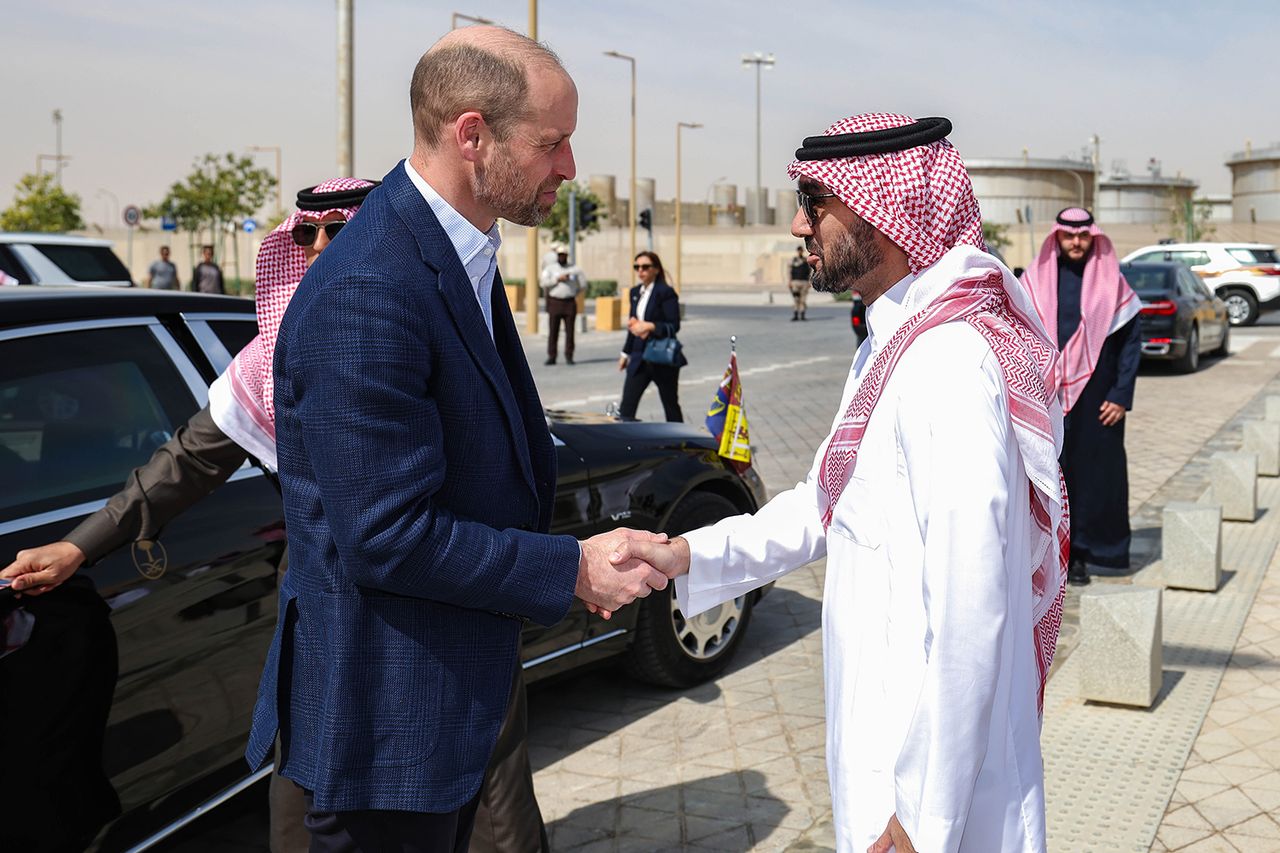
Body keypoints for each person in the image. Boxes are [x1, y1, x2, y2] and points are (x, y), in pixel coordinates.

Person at [247, 26, 669, 853]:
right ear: (472, 134)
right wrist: (571, 566)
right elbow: (386, 536)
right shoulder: (371, 285)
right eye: (553, 143)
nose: (570, 168)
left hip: (440, 707)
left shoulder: (453, 251)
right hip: (383, 731)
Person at [610, 114, 1068, 852]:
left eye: (814, 199)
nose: (798, 222)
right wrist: (688, 557)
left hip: (933, 791)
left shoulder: (946, 362)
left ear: (885, 212)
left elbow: (969, 605)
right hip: (886, 754)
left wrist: (925, 814)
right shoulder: (895, 344)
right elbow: (829, 503)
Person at [1, 178, 378, 853]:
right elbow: (188, 460)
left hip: (430, 614)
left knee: (479, 795)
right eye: (305, 234)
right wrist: (80, 547)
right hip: (322, 611)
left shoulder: (431, 346)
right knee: (298, 806)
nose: (319, 246)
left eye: (340, 231)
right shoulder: (274, 358)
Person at [1021, 207, 1141, 585]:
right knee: (1053, 475)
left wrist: (1121, 395)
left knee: (1097, 476)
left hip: (1099, 399)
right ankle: (1056, 554)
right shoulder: (1033, 282)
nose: (1076, 242)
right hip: (1047, 397)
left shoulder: (1113, 284)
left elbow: (1130, 343)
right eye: (1068, 235)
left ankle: (1094, 551)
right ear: (1056, 236)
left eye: (1083, 236)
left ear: (1093, 237)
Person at [617, 250, 686, 422]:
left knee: (670, 404)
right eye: (637, 267)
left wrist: (649, 325)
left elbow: (673, 325)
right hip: (639, 357)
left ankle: (678, 443)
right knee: (627, 407)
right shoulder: (635, 292)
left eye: (645, 267)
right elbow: (632, 326)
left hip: (661, 357)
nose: (641, 271)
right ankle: (627, 445)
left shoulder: (665, 292)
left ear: (656, 269)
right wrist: (625, 354)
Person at [539, 244, 585, 365]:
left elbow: (583, 285)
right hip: (555, 301)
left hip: (569, 302)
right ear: (557, 256)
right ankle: (552, 356)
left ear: (567, 256)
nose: (562, 257)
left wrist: (574, 292)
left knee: (570, 331)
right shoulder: (550, 269)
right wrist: (557, 279)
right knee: (553, 330)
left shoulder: (574, 269)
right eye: (560, 255)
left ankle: (569, 355)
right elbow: (543, 283)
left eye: (564, 255)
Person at [788, 245, 811, 320]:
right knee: (796, 299)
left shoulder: (806, 261)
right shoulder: (793, 260)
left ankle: (802, 315)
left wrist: (809, 282)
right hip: (795, 282)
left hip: (804, 282)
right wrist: (790, 282)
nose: (800, 252)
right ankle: (795, 315)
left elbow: (809, 272)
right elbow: (790, 271)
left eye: (801, 250)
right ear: (797, 251)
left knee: (803, 299)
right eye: (799, 250)